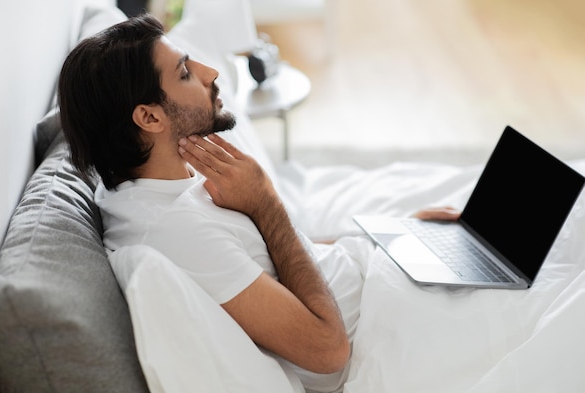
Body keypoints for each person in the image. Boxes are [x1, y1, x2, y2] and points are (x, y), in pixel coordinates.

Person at [58, 13, 460, 391]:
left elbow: (278, 259)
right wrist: (266, 202)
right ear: (149, 119)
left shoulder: (155, 183)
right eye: (184, 73)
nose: (210, 73)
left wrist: (386, 239)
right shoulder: (175, 230)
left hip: (378, 273)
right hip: (384, 324)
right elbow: (328, 351)